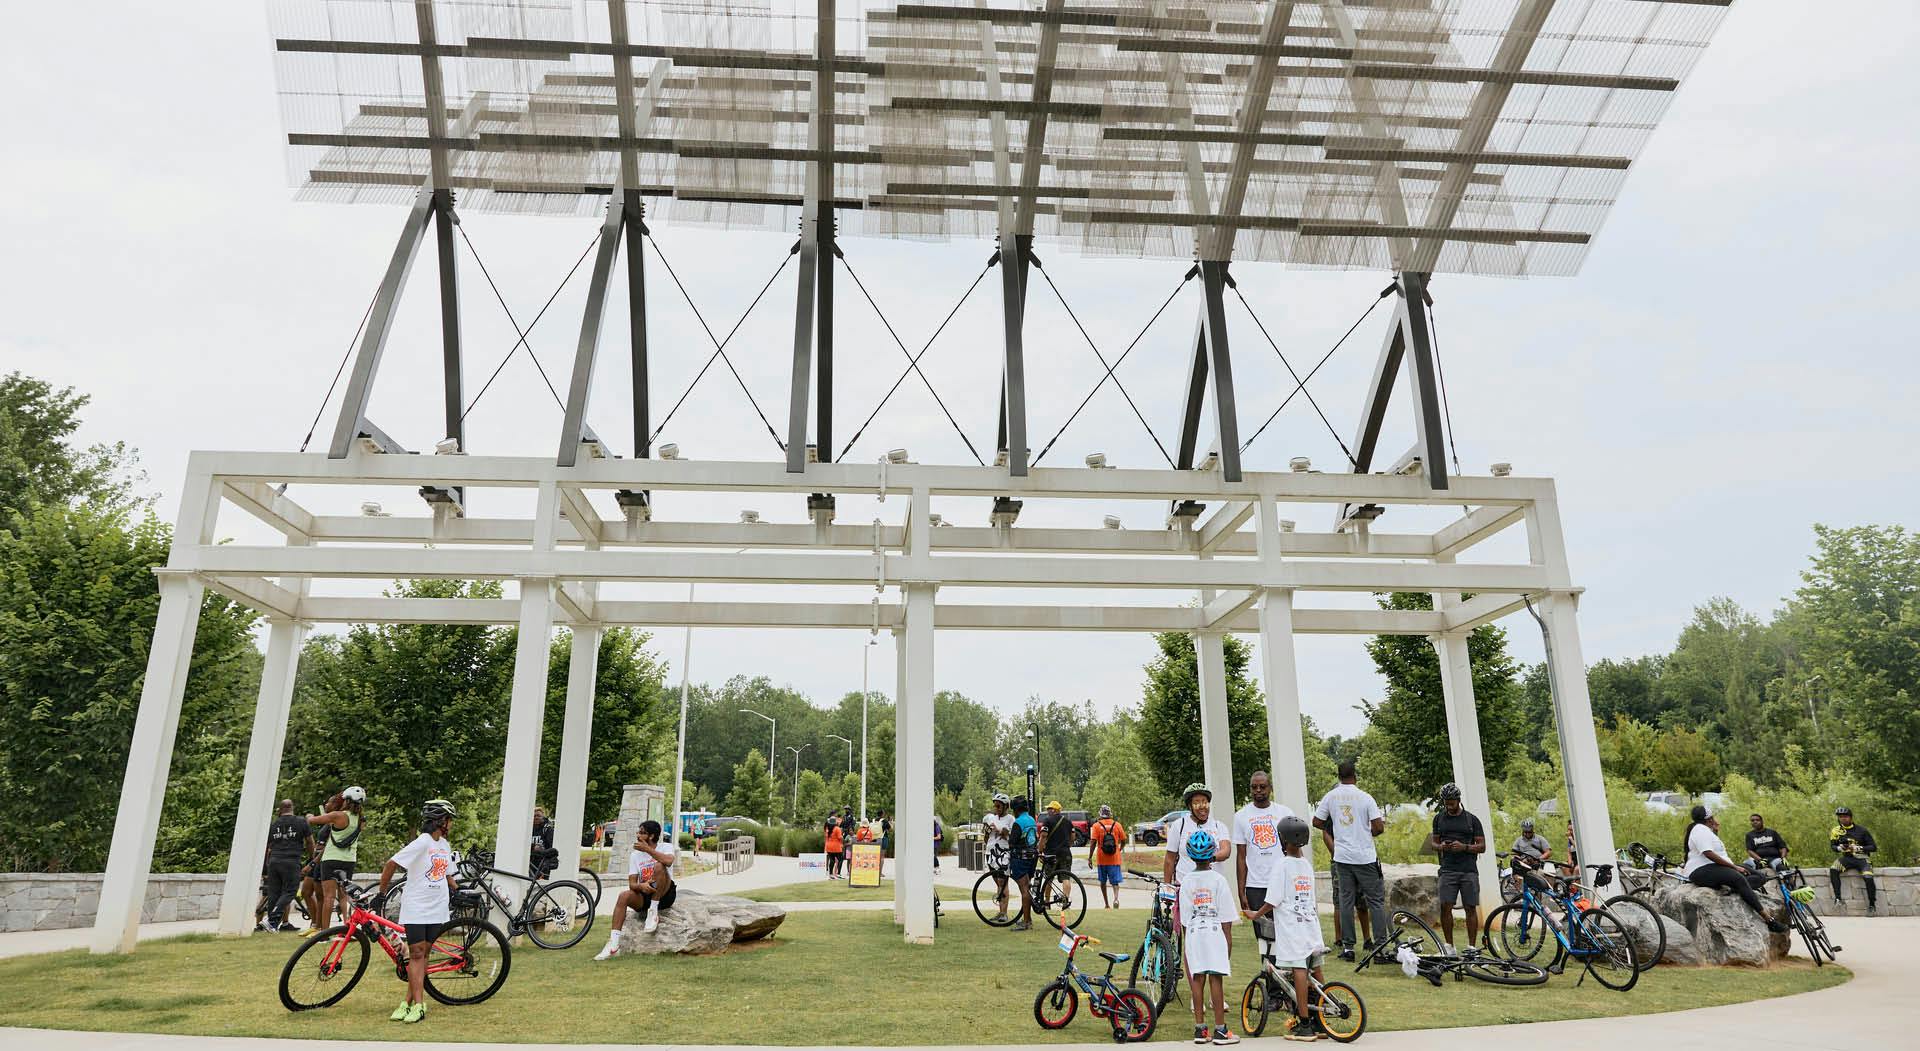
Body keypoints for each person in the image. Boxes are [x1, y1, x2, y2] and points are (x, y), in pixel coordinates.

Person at [377, 799, 458, 1025]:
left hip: (438, 906)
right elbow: (391, 864)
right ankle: (419, 1005)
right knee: (415, 954)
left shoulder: (444, 845)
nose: (450, 825)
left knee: (424, 954)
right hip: (416, 906)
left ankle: (407, 1002)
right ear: (440, 821)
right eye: (448, 820)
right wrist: (381, 894)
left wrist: (458, 891)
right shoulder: (422, 843)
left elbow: (448, 873)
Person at [1257, 816, 1326, 1043]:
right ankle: (1321, 1020)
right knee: (1315, 969)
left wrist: (1254, 914)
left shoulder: (1282, 865)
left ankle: (1305, 1024)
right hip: (1310, 925)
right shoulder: (1305, 865)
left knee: (1299, 969)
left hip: (1293, 928)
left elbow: (1273, 900)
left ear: (1282, 839)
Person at [1312, 761, 1385, 961]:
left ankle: (1348, 948)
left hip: (1342, 857)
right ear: (1355, 775)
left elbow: (1317, 821)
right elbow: (1379, 827)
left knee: (1346, 901)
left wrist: (1339, 828)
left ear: (1339, 776)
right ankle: (1380, 948)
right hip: (1365, 857)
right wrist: (1364, 833)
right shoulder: (1365, 797)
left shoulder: (1331, 796)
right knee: (1376, 901)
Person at [1682, 805, 1786, 931]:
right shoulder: (1699, 830)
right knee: (1738, 878)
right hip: (1701, 869)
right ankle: (1769, 920)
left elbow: (1715, 848)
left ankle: (1733, 888)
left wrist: (1715, 831)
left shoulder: (1705, 830)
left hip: (1715, 866)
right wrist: (1734, 867)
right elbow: (1708, 853)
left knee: (1759, 877)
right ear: (1709, 819)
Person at [1177, 828, 1237, 1045]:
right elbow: (1226, 919)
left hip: (1194, 933)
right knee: (1216, 978)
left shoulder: (1186, 882)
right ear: (1212, 852)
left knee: (1197, 978)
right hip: (1214, 933)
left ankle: (1200, 1029)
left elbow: (1184, 920)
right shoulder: (1219, 880)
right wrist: (1227, 945)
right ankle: (1221, 1030)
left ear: (1190, 855)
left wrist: (1187, 949)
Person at [595, 819, 679, 959]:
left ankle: (653, 912)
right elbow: (632, 884)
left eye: (642, 833)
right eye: (638, 832)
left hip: (665, 893)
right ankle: (614, 944)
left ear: (651, 836)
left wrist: (648, 850)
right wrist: (641, 886)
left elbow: (669, 861)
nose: (638, 835)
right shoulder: (635, 855)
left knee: (659, 866)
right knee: (624, 896)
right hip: (646, 892)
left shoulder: (665, 847)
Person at [1426, 783, 1485, 950]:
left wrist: (1464, 847)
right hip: (1447, 869)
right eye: (1446, 802)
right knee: (1445, 906)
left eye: (1451, 802)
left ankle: (1471, 947)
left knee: (1470, 907)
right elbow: (1433, 843)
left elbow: (1482, 846)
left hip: (1468, 870)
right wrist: (1441, 846)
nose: (1448, 805)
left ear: (1458, 800)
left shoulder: (1471, 820)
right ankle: (1449, 946)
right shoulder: (1439, 818)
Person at [1232, 771, 1293, 930]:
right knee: (1263, 935)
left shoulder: (1284, 813)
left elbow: (1293, 850)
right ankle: (1266, 957)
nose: (1258, 790)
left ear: (1270, 788)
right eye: (1254, 787)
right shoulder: (1240, 816)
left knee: (1285, 930)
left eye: (1262, 787)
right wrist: (1241, 891)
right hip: (1255, 885)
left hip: (1282, 881)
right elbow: (1241, 856)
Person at [308, 785, 366, 928]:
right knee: (343, 895)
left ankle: (325, 932)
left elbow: (313, 820)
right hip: (349, 860)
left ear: (346, 800)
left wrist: (309, 816)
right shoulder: (361, 820)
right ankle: (345, 928)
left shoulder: (338, 816)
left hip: (331, 859)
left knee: (329, 896)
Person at [1162, 783, 1232, 890]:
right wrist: (1167, 887)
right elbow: (1169, 859)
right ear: (1190, 806)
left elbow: (1226, 851)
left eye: (1205, 802)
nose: (1202, 806)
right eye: (1196, 803)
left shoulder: (1219, 826)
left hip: (1213, 887)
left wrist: (1208, 858)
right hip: (1185, 886)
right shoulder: (1179, 825)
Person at [262, 798, 312, 932]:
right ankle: (272, 920)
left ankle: (270, 923)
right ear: (292, 808)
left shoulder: (273, 824)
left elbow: (267, 847)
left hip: (274, 861)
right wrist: (311, 858)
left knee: (274, 893)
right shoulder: (301, 822)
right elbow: (310, 842)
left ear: (280, 809)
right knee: (290, 891)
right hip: (291, 861)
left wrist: (267, 865)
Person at [1828, 806, 1878, 915]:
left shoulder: (1862, 830)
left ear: (1850, 817)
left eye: (1845, 816)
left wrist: (1859, 848)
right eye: (1840, 817)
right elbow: (1833, 847)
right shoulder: (1836, 831)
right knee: (1833, 869)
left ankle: (1872, 905)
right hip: (1847, 858)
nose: (1843, 819)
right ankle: (1838, 899)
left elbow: (1873, 847)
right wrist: (1840, 848)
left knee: (1868, 877)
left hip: (1862, 859)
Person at [1088, 804, 1129, 909]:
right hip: (1114, 858)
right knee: (1115, 882)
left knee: (1103, 882)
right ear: (1110, 814)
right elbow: (1124, 840)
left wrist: (1090, 857)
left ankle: (1106, 904)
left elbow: (1093, 842)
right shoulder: (1117, 825)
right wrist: (1119, 849)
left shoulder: (1096, 826)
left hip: (1101, 859)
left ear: (1100, 814)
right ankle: (1116, 898)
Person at [982, 793, 1015, 919]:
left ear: (1006, 806)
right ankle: (1001, 912)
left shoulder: (1011, 819)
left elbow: (1011, 837)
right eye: (995, 806)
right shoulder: (990, 818)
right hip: (990, 853)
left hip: (1003, 853)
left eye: (999, 806)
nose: (996, 808)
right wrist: (987, 831)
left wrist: (1000, 830)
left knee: (1003, 882)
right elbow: (986, 839)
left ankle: (1004, 913)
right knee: (998, 884)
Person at [1008, 796, 1039, 930]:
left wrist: (1005, 834)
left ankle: (1026, 922)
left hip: (1021, 858)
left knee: (1024, 890)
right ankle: (1028, 918)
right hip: (1032, 857)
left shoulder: (1018, 822)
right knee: (1027, 887)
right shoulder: (1031, 819)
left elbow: (1011, 842)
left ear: (1015, 809)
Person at [1509, 817, 1555, 897]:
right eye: (1525, 832)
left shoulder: (1539, 839)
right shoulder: (1519, 840)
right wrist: (1520, 858)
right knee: (1516, 865)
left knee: (1537, 881)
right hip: (1524, 863)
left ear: (1532, 830)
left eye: (1529, 832)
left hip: (1537, 863)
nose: (1527, 834)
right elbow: (1514, 853)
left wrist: (1540, 858)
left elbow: (1549, 851)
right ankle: (1519, 893)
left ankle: (1538, 900)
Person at [1036, 801, 1075, 888]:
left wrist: (1040, 851)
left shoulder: (1047, 821)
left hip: (1051, 854)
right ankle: (1066, 899)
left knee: (1048, 879)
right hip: (1066, 853)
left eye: (1049, 809)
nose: (1047, 811)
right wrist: (1068, 846)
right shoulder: (1068, 821)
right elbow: (1072, 837)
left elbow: (1043, 836)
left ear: (1054, 810)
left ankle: (1046, 900)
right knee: (1066, 878)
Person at [530, 806, 558, 878]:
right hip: (531, 862)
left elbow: (551, 845)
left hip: (543, 862)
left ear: (543, 816)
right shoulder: (529, 829)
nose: (536, 817)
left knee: (542, 881)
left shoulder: (547, 829)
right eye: (534, 816)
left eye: (538, 815)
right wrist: (533, 846)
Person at [824, 813, 846, 880]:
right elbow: (840, 837)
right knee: (840, 859)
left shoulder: (827, 829)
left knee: (832, 860)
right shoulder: (837, 828)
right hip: (836, 847)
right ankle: (838, 874)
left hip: (829, 847)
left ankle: (830, 875)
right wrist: (843, 840)